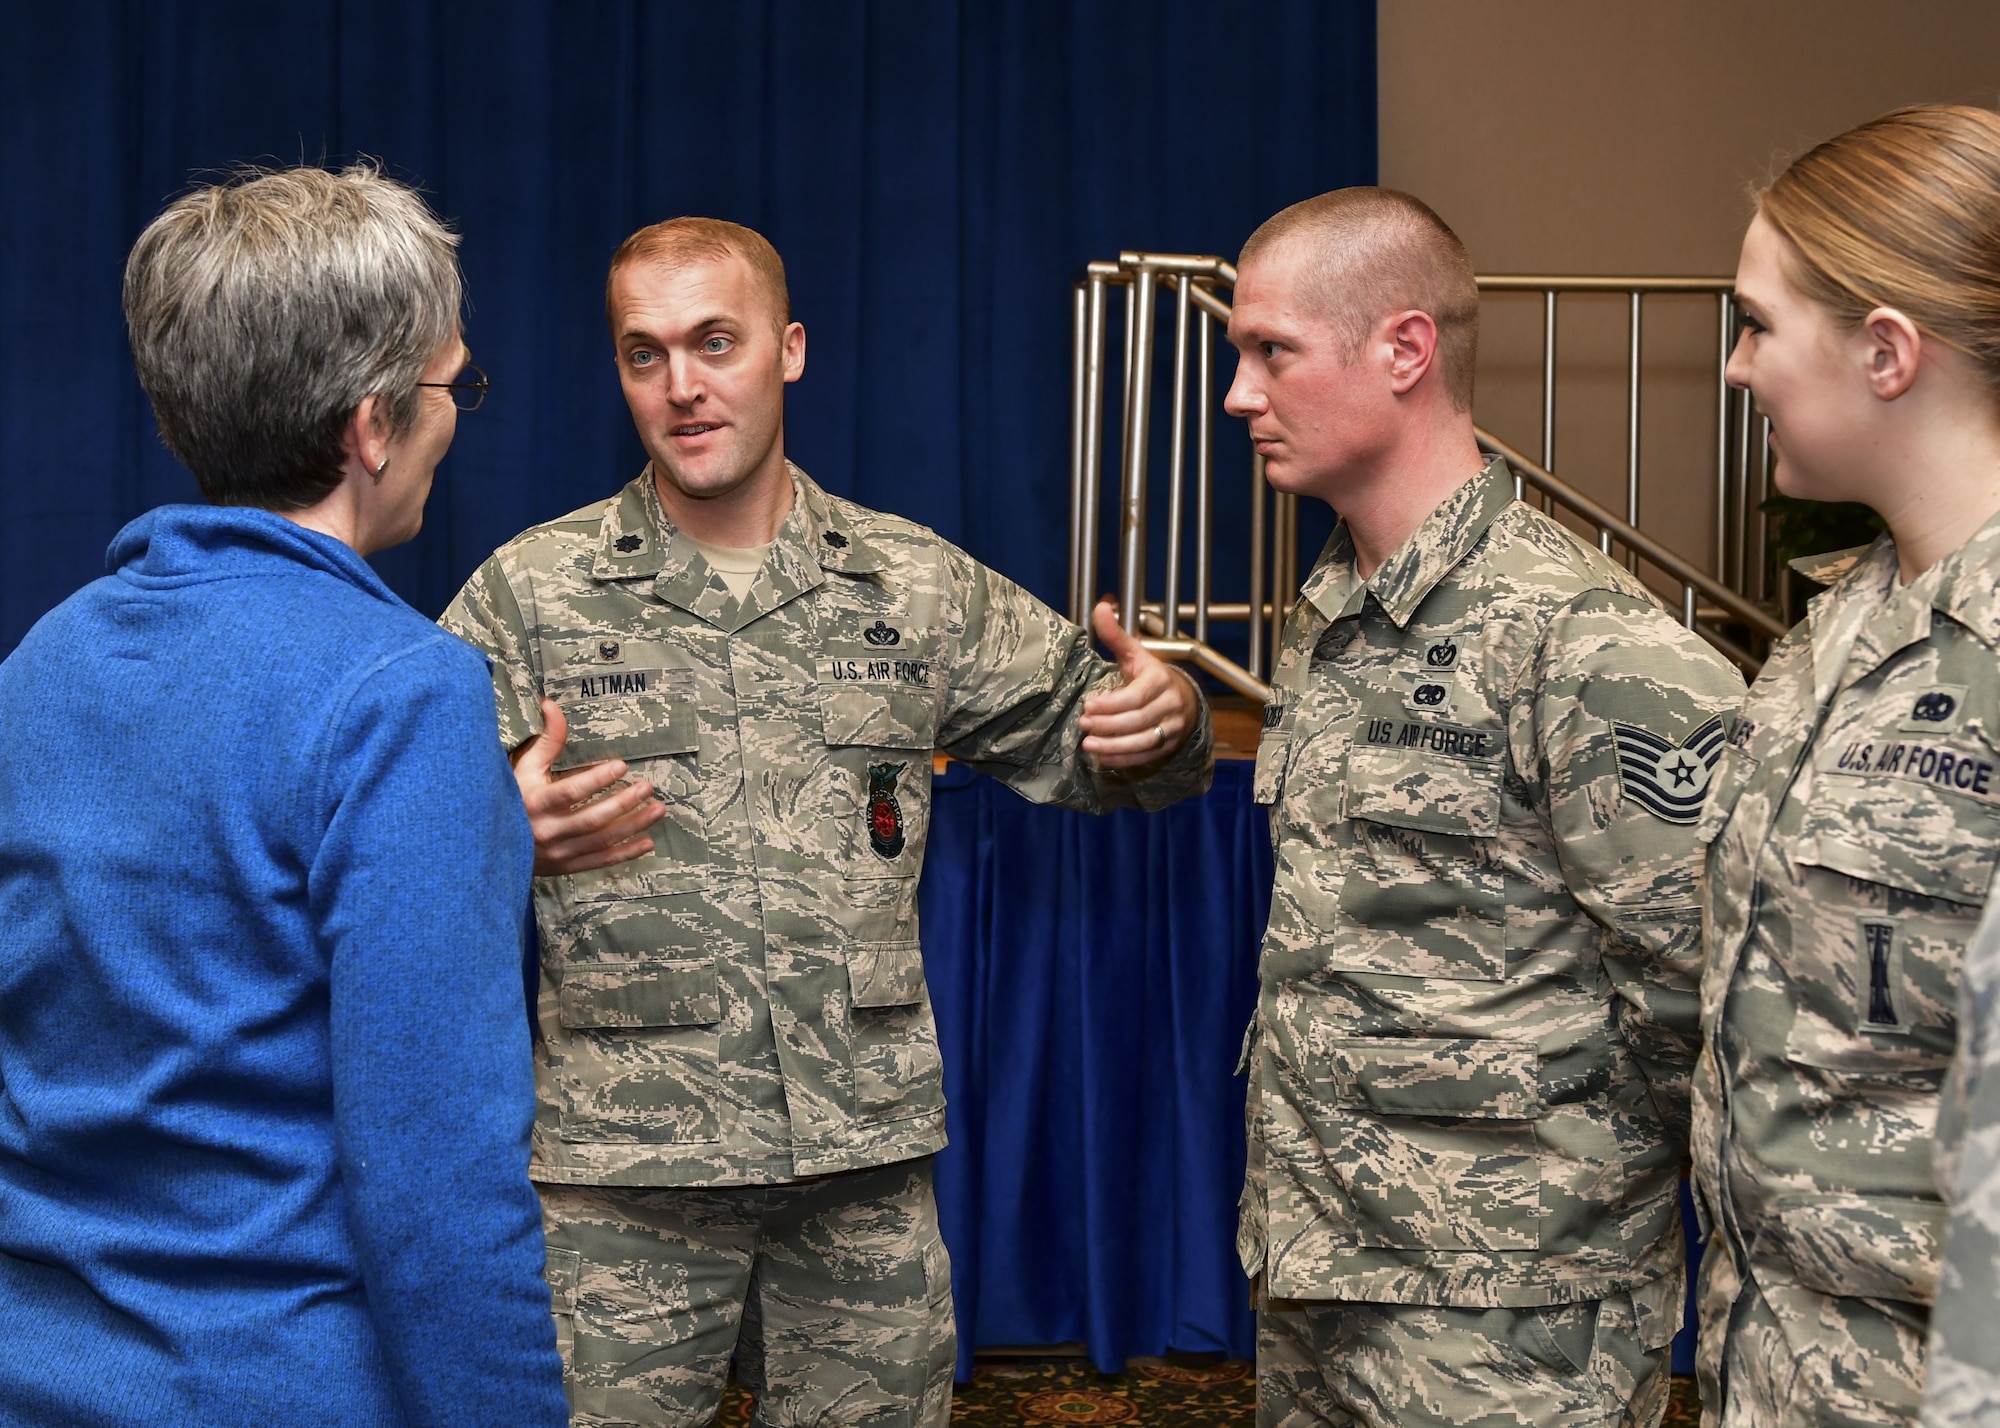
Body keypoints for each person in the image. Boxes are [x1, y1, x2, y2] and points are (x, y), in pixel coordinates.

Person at [441, 216, 1212, 1427]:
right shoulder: (529, 594)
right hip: (626, 1187)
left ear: (787, 349)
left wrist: (1167, 724)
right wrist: (491, 830)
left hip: (858, 1173)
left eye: (714, 343)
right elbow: (396, 851)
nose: (682, 387)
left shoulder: (910, 585)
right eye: (645, 355)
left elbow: (1102, 743)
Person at [0, 165, 566, 1426]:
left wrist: (461, 838)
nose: (455, 414)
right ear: (371, 426)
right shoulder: (406, 695)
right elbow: (436, 1193)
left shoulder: (41, 662)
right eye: (450, 384)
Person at [1228, 187, 1744, 1428]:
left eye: (1269, 352)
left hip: (1509, 1317)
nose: (1239, 395)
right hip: (1319, 1272)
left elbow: (1707, 1000)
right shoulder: (1335, 612)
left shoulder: (1587, 643)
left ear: (1402, 349)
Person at [1693, 105, 2000, 1428]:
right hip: (1775, 1365)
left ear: (1887, 351)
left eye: (1758, 323)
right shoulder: (1843, 629)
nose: (1734, 366)